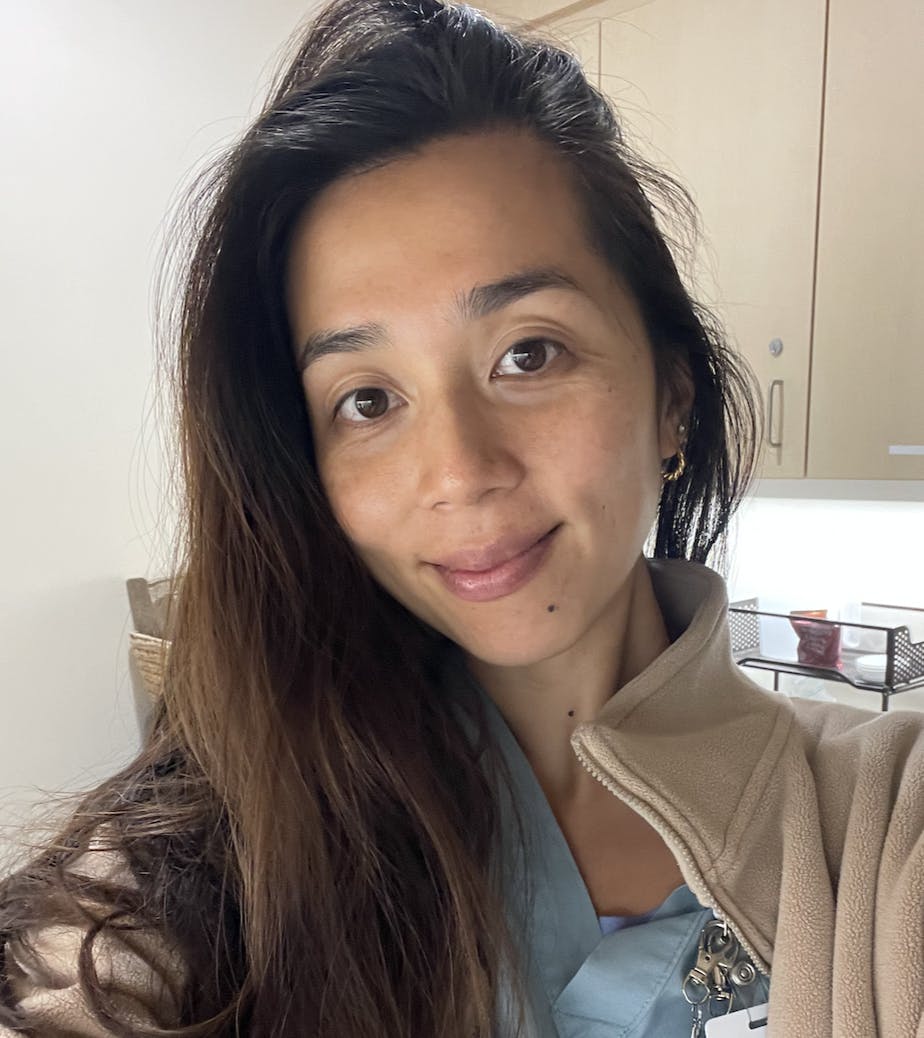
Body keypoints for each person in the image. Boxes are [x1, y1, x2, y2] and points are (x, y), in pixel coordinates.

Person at [2, 1, 923, 1035]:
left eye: (528, 353)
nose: (459, 474)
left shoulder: (883, 821)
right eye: (368, 400)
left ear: (672, 393)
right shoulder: (218, 847)